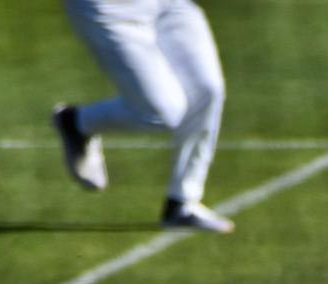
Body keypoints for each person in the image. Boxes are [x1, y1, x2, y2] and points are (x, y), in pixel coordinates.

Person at [53, 0, 234, 234]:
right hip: (109, 9)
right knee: (162, 112)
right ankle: (76, 122)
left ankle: (181, 203)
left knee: (207, 89)